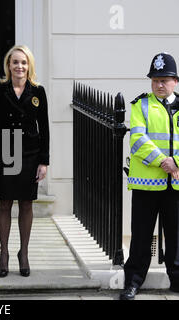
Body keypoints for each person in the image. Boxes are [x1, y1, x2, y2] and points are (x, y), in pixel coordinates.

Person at [0, 45, 49, 278]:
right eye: (15, 62)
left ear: (29, 65)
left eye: (23, 62)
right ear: (8, 66)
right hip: (4, 154)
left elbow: (45, 128)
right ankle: (4, 254)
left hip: (30, 155)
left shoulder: (38, 91)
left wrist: (44, 161)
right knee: (4, 203)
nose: (19, 66)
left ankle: (24, 253)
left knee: (26, 204)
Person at [121, 52, 179, 300]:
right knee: (142, 236)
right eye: (155, 80)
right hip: (147, 183)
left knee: (176, 237)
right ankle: (133, 282)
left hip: (175, 183)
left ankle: (176, 281)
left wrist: (175, 162)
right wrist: (163, 161)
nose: (159, 84)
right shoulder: (140, 105)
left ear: (175, 81)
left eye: (164, 79)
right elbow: (137, 139)